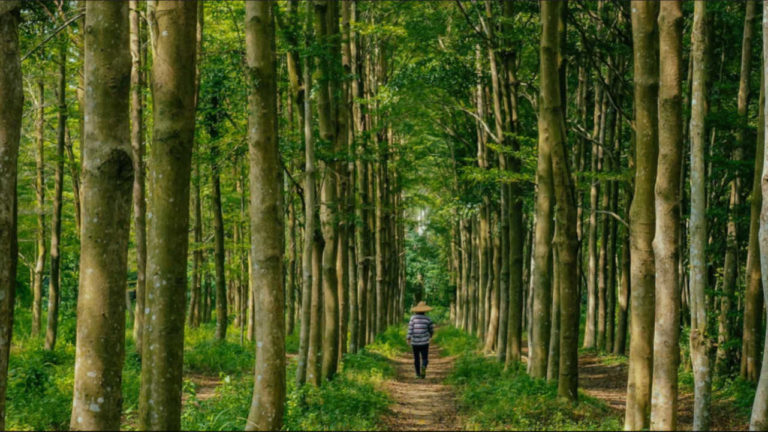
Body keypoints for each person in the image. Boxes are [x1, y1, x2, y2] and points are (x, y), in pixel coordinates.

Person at [407, 301, 435, 379]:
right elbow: (431, 329)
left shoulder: (413, 318)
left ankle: (417, 374)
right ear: (425, 310)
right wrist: (431, 334)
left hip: (415, 342)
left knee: (416, 358)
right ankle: (424, 366)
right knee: (425, 358)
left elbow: (410, 329)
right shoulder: (428, 319)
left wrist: (408, 338)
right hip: (424, 342)